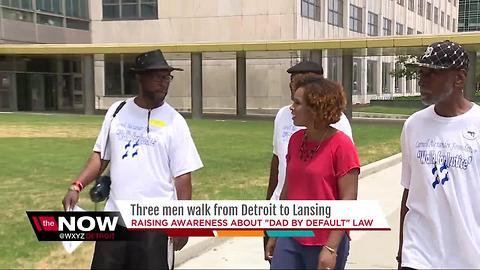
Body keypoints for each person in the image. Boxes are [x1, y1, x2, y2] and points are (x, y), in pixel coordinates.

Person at [62, 49, 203, 269]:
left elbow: (183, 178)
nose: (164, 82)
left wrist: (182, 225)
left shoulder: (175, 122)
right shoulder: (117, 112)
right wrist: (76, 185)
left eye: (167, 77)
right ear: (140, 77)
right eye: (158, 77)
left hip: (155, 226)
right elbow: (100, 156)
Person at [398, 40, 480, 269]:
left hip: (467, 257)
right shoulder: (414, 125)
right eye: (421, 72)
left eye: (432, 73)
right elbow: (409, 192)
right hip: (418, 255)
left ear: (459, 78)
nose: (422, 79)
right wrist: (401, 254)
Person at [265, 77, 360, 270]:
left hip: (325, 240)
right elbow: (287, 192)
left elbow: (348, 199)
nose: (291, 107)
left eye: (298, 103)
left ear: (316, 108)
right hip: (291, 235)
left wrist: (331, 248)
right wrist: (276, 233)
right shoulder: (295, 140)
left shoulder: (342, 145)